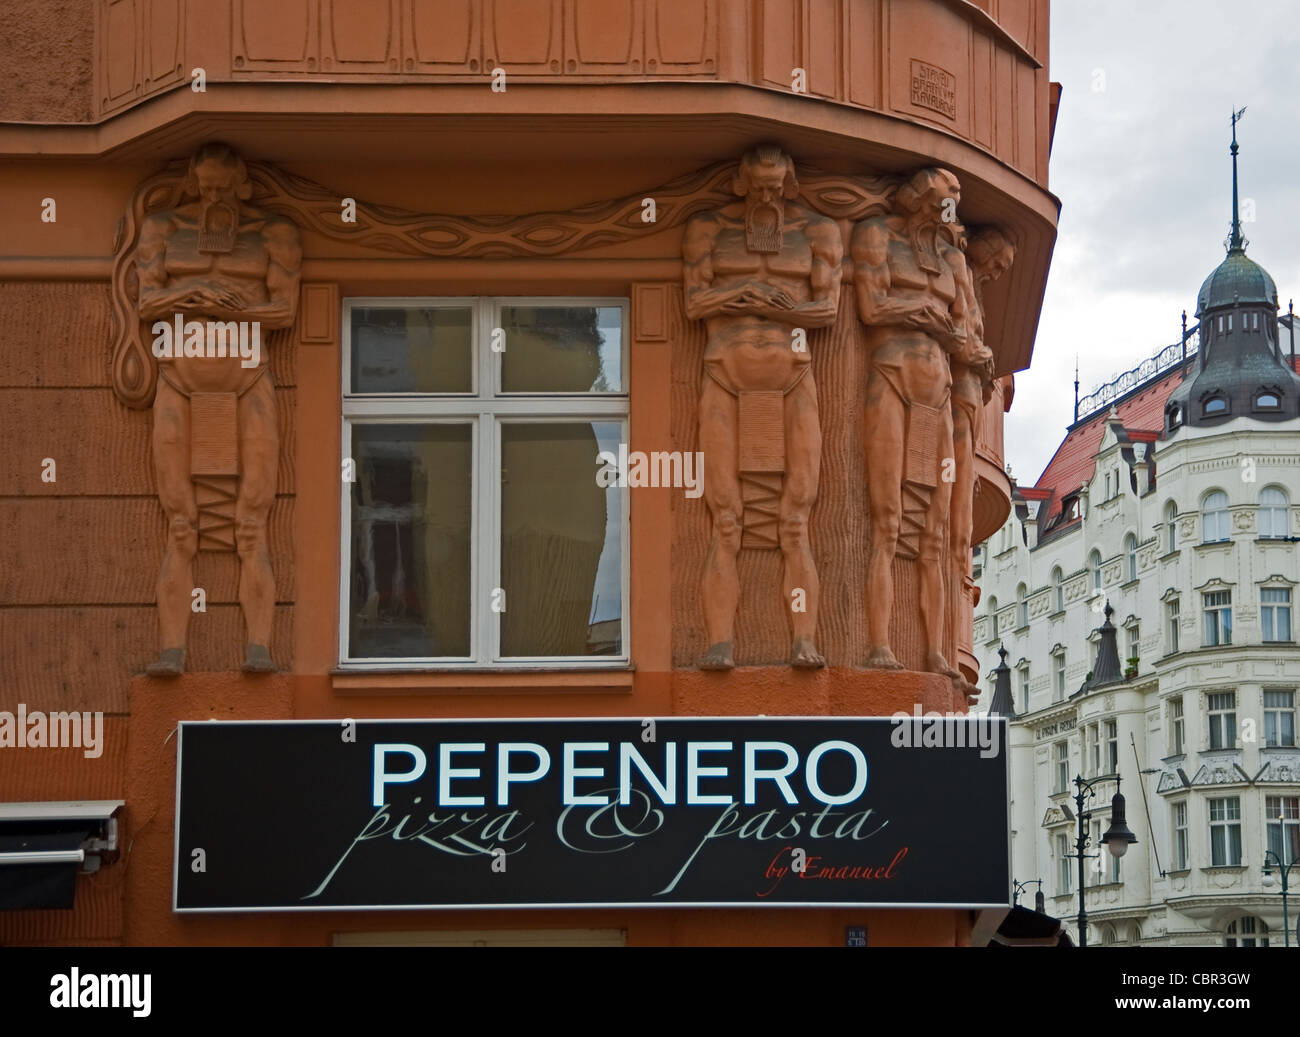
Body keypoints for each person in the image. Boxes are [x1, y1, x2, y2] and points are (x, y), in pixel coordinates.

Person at [135, 143, 302, 675]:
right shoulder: (163, 228)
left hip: (247, 382)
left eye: (223, 188)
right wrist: (200, 293)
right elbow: (146, 302)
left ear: (242, 185)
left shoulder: (273, 234)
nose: (214, 196)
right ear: (193, 182)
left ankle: (258, 649)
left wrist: (241, 305)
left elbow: (284, 310)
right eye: (206, 187)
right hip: (178, 382)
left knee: (251, 520)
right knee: (181, 523)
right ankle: (172, 651)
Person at [682, 145, 843, 669]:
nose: (768, 195)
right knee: (726, 518)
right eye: (760, 187)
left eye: (777, 187)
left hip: (792, 375)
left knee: (794, 517)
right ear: (741, 183)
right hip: (724, 371)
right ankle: (720, 643)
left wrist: (788, 305)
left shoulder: (817, 231)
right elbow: (693, 302)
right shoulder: (709, 227)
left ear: (789, 184)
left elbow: (830, 308)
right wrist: (745, 292)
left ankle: (802, 640)